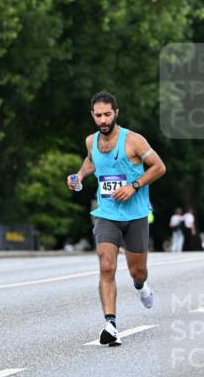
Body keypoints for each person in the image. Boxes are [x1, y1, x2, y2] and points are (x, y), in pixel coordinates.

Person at [67, 90, 166, 346]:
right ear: (92, 115)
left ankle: (141, 286)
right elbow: (92, 162)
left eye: (107, 114)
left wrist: (134, 185)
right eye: (98, 115)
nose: (103, 120)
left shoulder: (134, 141)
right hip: (106, 214)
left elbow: (159, 167)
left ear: (116, 113)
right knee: (106, 265)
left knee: (138, 271)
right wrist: (78, 177)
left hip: (135, 215)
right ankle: (110, 325)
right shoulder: (91, 141)